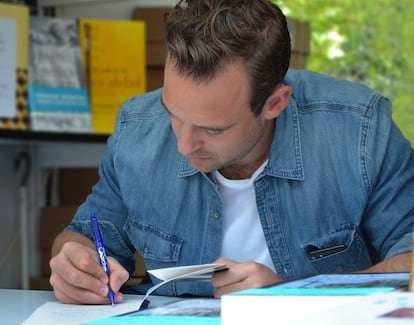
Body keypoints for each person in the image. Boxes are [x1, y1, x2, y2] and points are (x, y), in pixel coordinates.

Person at [49, 0, 414, 305]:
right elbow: (86, 233)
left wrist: (295, 295)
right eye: (172, 114)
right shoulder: (135, 128)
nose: (183, 145)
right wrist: (74, 262)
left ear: (275, 103)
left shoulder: (359, 131)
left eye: (213, 129)